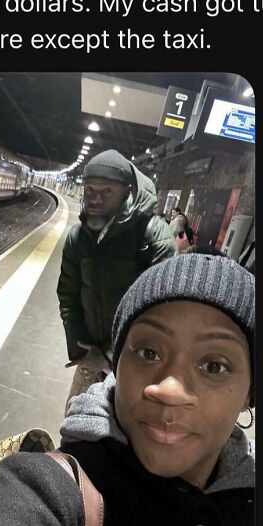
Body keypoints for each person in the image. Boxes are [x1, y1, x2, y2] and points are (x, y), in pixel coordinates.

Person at [0, 252, 255, 526]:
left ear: (249, 394)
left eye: (214, 366)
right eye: (148, 352)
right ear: (118, 367)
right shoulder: (46, 491)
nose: (168, 390)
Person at [57, 150, 175, 405]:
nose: (95, 199)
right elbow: (68, 297)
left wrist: (110, 357)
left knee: (123, 436)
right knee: (75, 430)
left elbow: (161, 312)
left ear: (126, 191)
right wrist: (83, 354)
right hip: (89, 361)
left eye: (106, 191)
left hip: (136, 366)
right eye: (90, 190)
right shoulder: (77, 238)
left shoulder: (153, 236)